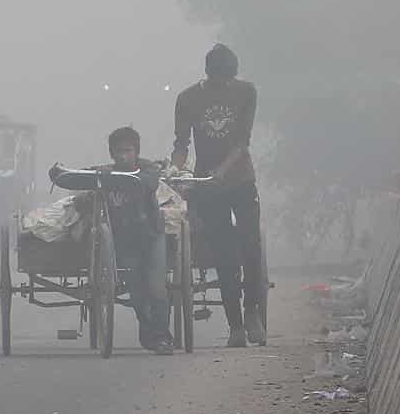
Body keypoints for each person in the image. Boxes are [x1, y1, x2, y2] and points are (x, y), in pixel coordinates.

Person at [172, 43, 264, 347]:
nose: (225, 85)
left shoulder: (246, 92)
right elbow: (182, 143)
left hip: (241, 180)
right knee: (224, 256)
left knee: (250, 246)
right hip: (207, 187)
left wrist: (222, 170)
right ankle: (235, 325)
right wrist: (177, 170)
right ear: (208, 75)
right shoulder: (187, 99)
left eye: (228, 80)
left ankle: (252, 312)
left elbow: (242, 142)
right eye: (219, 80)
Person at [51, 127, 174, 354]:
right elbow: (76, 180)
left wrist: (115, 180)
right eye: (118, 152)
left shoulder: (148, 170)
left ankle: (162, 336)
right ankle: (150, 333)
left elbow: (148, 183)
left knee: (157, 289)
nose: (123, 156)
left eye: (127, 151)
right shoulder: (106, 173)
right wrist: (58, 173)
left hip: (151, 236)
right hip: (124, 241)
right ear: (111, 153)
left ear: (136, 151)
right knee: (136, 291)